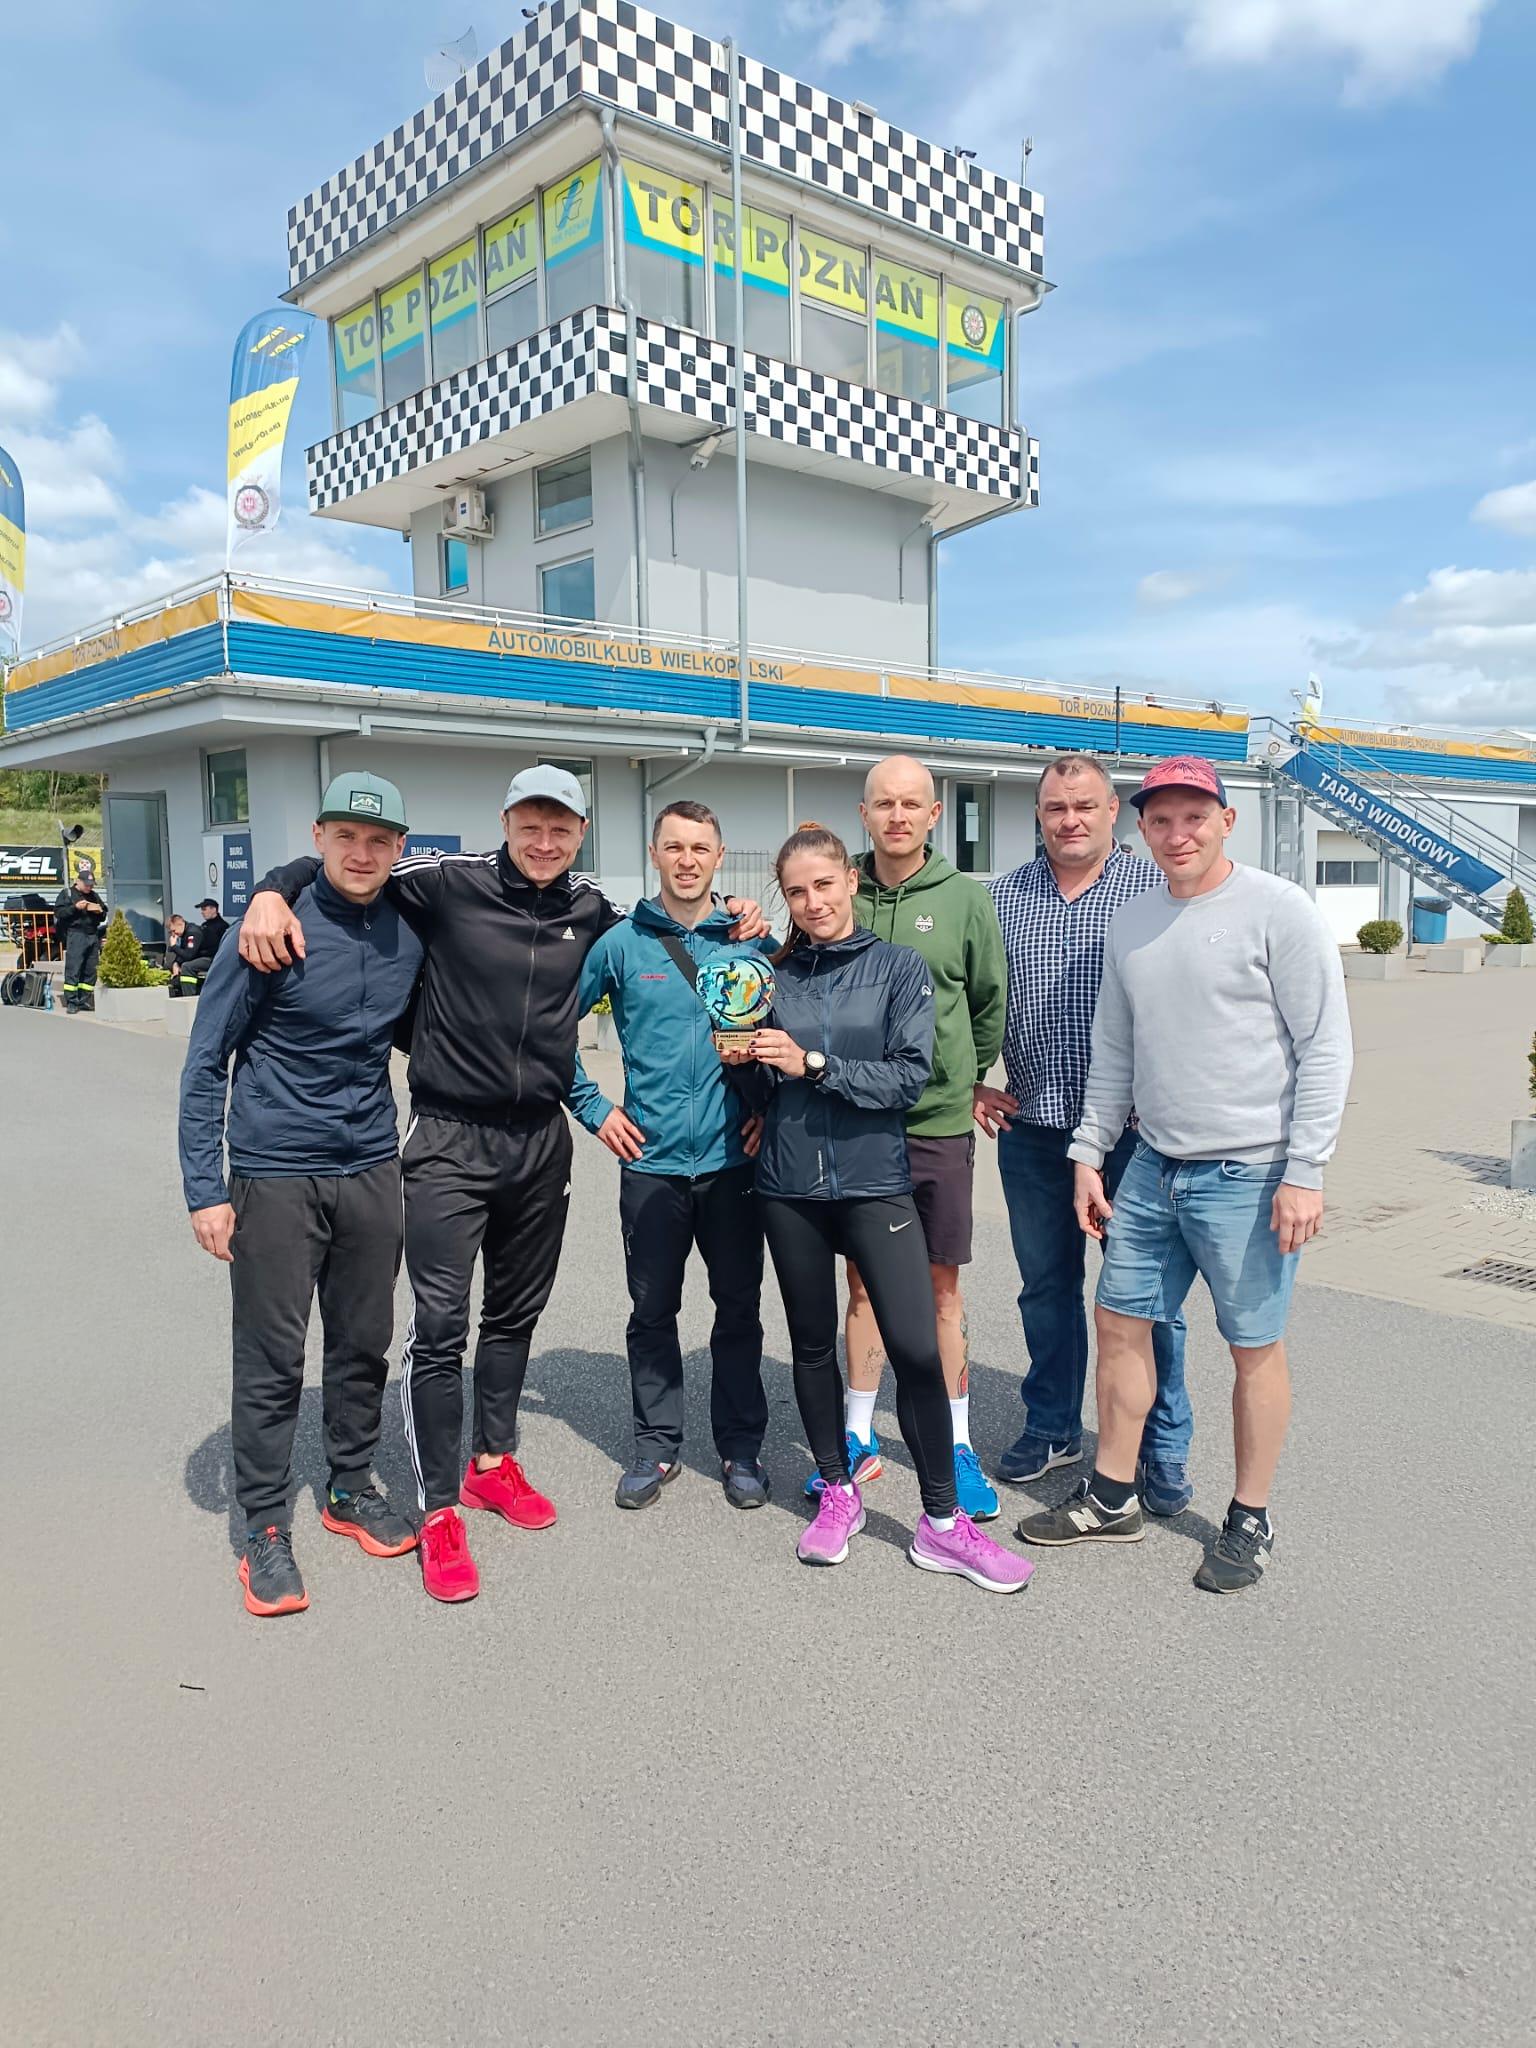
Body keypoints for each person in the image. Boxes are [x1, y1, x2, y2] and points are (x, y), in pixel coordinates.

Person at [238, 765, 767, 1605]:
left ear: (582, 833)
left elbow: (672, 931)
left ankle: (491, 1462)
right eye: (530, 824)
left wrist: (743, 916)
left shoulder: (594, 910)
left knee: (514, 1318)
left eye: (560, 828)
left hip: (539, 1144)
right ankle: (439, 1506)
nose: (544, 841)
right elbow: (356, 865)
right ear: (507, 821)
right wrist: (274, 888)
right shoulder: (449, 883)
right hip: (449, 1138)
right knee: (440, 1329)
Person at [1017, 758, 1352, 1593]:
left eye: (1194, 817)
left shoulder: (1279, 910)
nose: (1178, 834)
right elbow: (1115, 1050)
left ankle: (1250, 1516)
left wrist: (1305, 1170)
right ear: (1143, 828)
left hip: (1251, 1172)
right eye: (1162, 820)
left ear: (1226, 821)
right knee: (1120, 1324)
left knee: (1253, 1348)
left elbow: (1325, 1046)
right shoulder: (1133, 922)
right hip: (1152, 1166)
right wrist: (1088, 1152)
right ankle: (1113, 1495)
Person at [735, 821, 1031, 1594]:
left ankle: (942, 1525)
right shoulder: (772, 977)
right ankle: (839, 1490)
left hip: (875, 1182)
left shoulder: (899, 968)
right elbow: (760, 1089)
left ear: (850, 883)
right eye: (796, 892)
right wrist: (738, 1053)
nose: (812, 902)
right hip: (790, 1186)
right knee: (810, 1346)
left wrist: (812, 1063)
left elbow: (907, 1079)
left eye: (823, 885)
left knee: (916, 1348)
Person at [179, 773, 424, 1618]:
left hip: (371, 1168)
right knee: (272, 1359)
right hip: (275, 1171)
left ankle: (349, 1487)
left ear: (400, 848)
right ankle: (263, 1525)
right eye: (346, 835)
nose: (362, 853)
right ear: (319, 836)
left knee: (363, 1343)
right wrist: (205, 1189)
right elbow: (206, 1061)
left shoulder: (407, 928)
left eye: (379, 840)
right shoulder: (270, 928)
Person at [981, 754, 1194, 1514]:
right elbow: (968, 995)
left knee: (1147, 1300)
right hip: (1035, 1128)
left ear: (1112, 813)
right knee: (1046, 1289)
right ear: (1038, 817)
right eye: (1055, 808)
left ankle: (1161, 1447)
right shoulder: (1003, 897)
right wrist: (971, 1075)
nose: (1069, 820)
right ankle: (1052, 1425)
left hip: (1136, 1138)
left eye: (1084, 806)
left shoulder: (1155, 891)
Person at [807, 755, 1007, 1521]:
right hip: (856, 1123)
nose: (897, 816)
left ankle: (956, 1446)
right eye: (883, 804)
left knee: (939, 1289)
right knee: (860, 1283)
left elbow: (986, 1004)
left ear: (933, 814)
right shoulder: (841, 887)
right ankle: (858, 1437)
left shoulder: (964, 899)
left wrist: (962, 1077)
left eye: (911, 804)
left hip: (934, 1125)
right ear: (863, 814)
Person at [568, 799, 772, 1511]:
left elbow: (795, 1033)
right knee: (652, 1311)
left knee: (738, 1309)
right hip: (651, 1166)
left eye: (700, 848)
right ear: (655, 854)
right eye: (675, 847)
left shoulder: (751, 942)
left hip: (732, 1165)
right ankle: (656, 1446)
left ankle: (740, 1448)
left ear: (719, 857)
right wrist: (595, 1109)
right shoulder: (620, 945)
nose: (687, 860)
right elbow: (550, 1030)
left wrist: (769, 1115)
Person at [54, 859, 107, 1013]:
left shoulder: (94, 895)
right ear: (78, 881)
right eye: (87, 884)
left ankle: (84, 999)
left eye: (91, 885)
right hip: (76, 934)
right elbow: (59, 913)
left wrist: (99, 912)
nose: (89, 887)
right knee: (74, 968)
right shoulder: (68, 894)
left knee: (91, 969)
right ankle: (72, 1001)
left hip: (92, 934)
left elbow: (103, 913)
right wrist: (75, 908)